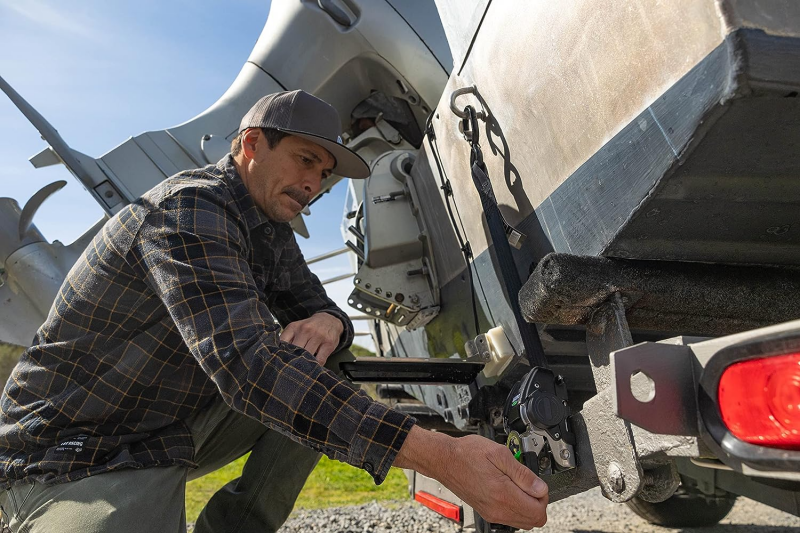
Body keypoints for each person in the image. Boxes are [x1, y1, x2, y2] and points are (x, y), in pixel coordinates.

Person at [0, 90, 548, 532]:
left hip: (165, 427)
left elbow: (317, 304)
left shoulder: (268, 227)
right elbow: (248, 367)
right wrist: (440, 455)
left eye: (324, 173)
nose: (313, 184)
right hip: (72, 452)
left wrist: (331, 323)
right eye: (305, 160)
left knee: (327, 360)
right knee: (279, 375)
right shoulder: (188, 211)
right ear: (252, 144)